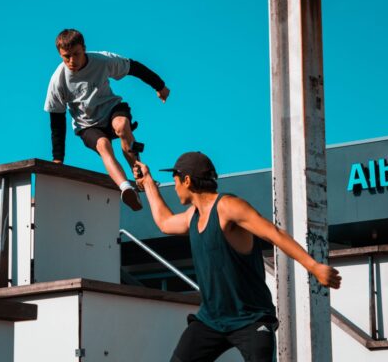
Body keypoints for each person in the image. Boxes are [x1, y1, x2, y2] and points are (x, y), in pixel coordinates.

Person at [134, 152, 342, 362]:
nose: (175, 186)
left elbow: (273, 233)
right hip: (211, 320)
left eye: (175, 180)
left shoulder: (228, 207)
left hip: (251, 319)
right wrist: (148, 183)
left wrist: (314, 266)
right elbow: (164, 222)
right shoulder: (192, 216)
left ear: (186, 180)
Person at [44, 28, 170, 211]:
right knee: (103, 145)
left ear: (84, 48)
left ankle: (138, 175)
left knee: (122, 126)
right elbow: (57, 121)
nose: (72, 61)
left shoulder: (102, 61)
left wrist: (160, 86)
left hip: (111, 109)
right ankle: (126, 188)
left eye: (76, 54)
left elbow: (133, 67)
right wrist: (58, 159)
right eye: (66, 57)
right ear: (60, 55)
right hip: (87, 125)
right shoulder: (58, 80)